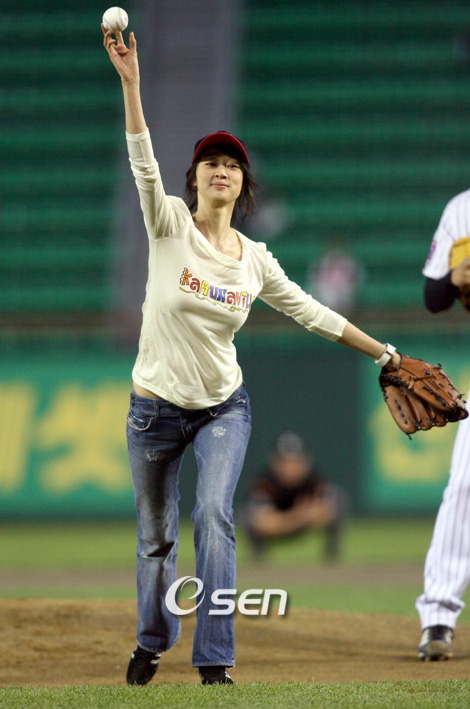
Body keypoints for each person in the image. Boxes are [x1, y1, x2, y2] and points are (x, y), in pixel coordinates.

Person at [103, 25, 405, 686]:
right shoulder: (168, 223)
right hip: (154, 411)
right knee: (155, 539)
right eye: (211, 161)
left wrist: (385, 353)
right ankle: (153, 639)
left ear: (244, 186)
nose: (222, 169)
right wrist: (132, 83)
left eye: (233, 164)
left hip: (221, 407)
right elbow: (142, 158)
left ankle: (214, 659)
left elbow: (313, 312)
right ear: (194, 179)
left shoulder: (255, 260)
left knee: (214, 515)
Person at [415, 189, 470, 661]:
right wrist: (454, 278)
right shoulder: (462, 209)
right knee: (465, 485)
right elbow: (433, 298)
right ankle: (438, 616)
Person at [243, 431, 348, 561]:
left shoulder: (313, 480)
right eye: (285, 462)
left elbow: (326, 513)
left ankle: (332, 554)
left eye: (296, 461)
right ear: (274, 462)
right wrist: (300, 515)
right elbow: (263, 524)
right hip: (275, 533)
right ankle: (258, 557)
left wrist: (281, 519)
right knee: (245, 515)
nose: (291, 468)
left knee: (339, 497)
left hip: (298, 527)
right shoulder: (265, 482)